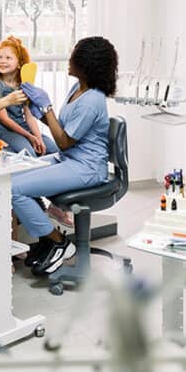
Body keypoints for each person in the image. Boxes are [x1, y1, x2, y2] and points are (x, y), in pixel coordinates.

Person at [11, 36, 118, 277]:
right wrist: (39, 111)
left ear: (87, 64)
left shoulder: (92, 100)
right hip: (68, 159)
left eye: (75, 56)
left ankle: (58, 241)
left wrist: (47, 107)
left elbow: (63, 140)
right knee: (12, 175)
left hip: (85, 168)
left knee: (14, 189)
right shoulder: (77, 88)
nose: (69, 59)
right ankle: (48, 241)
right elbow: (63, 129)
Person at [0, 36, 58, 157]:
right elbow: (4, 119)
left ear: (19, 64)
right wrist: (29, 137)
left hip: (23, 128)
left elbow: (29, 117)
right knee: (30, 154)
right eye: (0, 57)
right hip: (4, 131)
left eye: (8, 58)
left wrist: (38, 138)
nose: (2, 61)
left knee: (54, 150)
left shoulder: (23, 86)